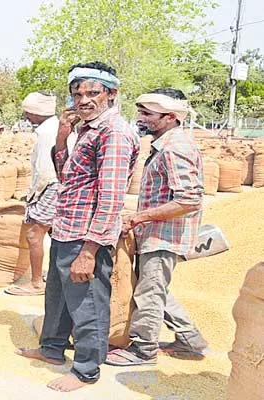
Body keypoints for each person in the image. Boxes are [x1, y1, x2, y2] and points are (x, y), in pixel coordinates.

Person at [16, 61, 140, 392]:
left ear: (111, 94)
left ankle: (86, 369)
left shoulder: (114, 134)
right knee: (57, 298)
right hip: (66, 228)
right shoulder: (87, 129)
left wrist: (89, 251)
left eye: (93, 93)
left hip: (86, 237)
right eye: (77, 93)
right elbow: (66, 175)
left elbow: (111, 198)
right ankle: (52, 349)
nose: (83, 100)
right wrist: (62, 135)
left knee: (87, 304)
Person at [105, 88, 208, 367]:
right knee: (153, 287)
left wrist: (139, 218)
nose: (140, 118)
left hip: (165, 235)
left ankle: (143, 350)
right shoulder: (163, 144)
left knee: (149, 292)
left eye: (147, 114)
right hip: (155, 232)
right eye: (140, 111)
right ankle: (190, 338)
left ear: (170, 117)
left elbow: (189, 199)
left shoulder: (176, 148)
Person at [4, 92, 59, 296]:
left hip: (51, 187)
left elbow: (46, 171)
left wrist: (33, 196)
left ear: (37, 112)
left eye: (28, 112)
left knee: (34, 236)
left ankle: (36, 283)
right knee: (55, 235)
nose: (26, 116)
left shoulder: (47, 135)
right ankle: (53, 274)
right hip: (55, 187)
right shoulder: (54, 128)